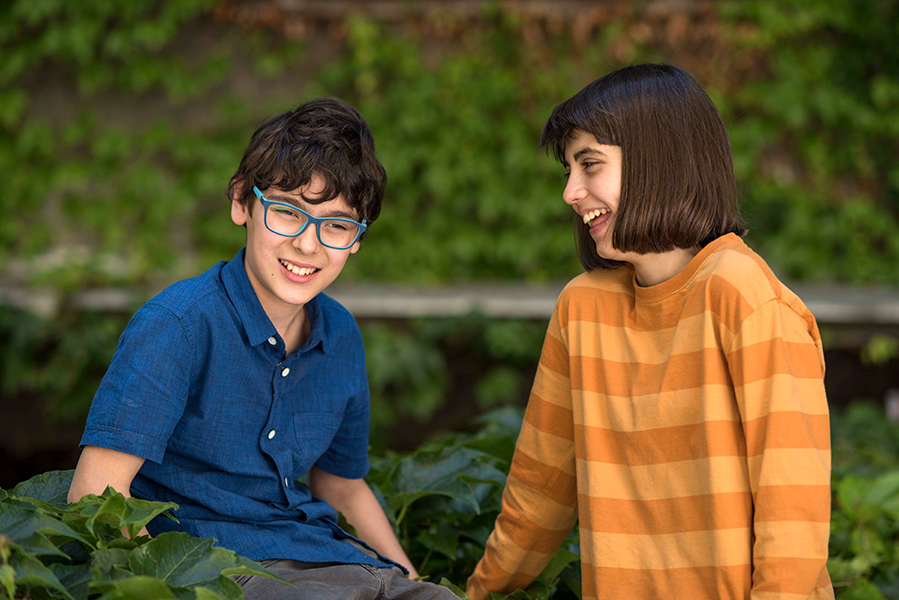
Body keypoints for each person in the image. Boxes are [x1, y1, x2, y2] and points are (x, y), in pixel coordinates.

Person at [467, 64, 834, 600]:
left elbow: (792, 526)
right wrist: (474, 593)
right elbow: (537, 493)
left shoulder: (745, 298)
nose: (571, 191)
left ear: (659, 162)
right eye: (569, 170)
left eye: (590, 164)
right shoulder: (581, 307)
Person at [68, 97, 456, 600]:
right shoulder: (179, 325)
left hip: (328, 559)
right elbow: (96, 491)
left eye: (336, 225)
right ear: (241, 203)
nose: (308, 246)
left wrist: (408, 577)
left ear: (357, 239)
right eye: (288, 213)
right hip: (216, 568)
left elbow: (341, 486)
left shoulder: (340, 335)